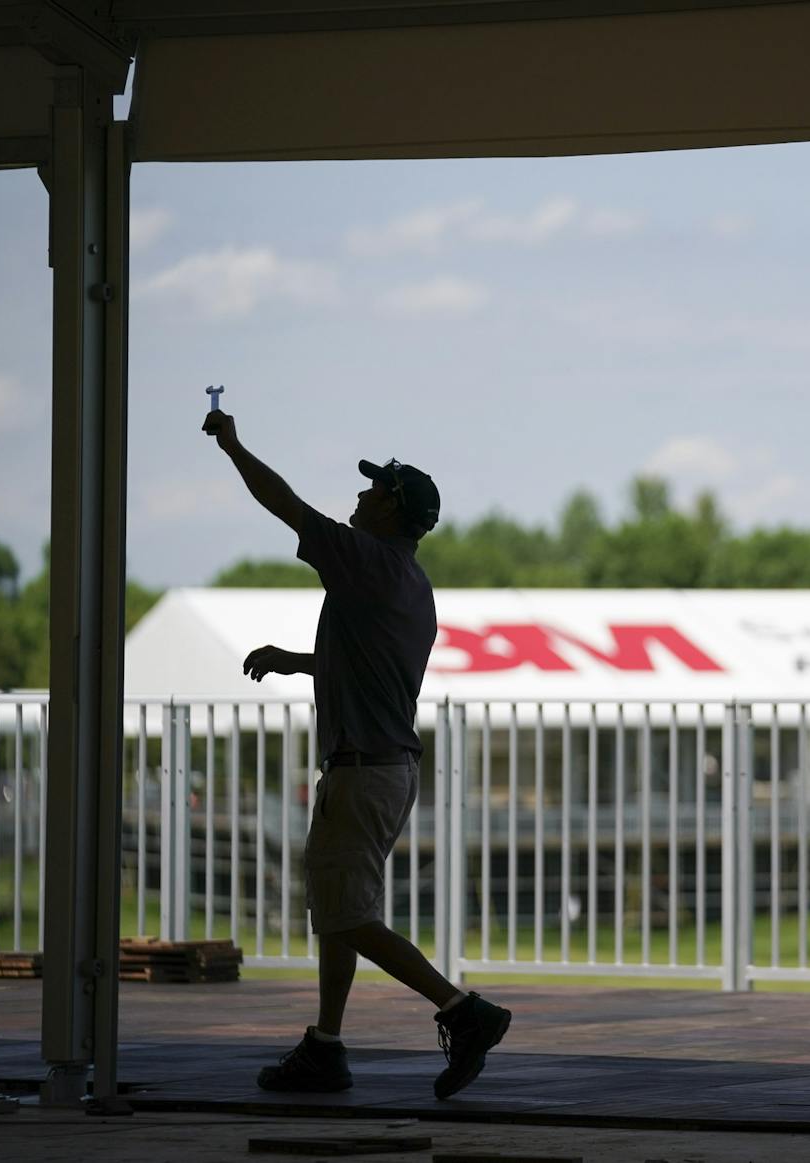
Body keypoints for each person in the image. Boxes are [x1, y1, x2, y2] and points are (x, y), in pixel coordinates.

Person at [202, 407, 510, 1099]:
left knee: (347, 913)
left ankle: (465, 1012)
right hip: (384, 767)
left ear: (393, 509)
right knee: (340, 907)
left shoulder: (364, 560)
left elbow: (285, 505)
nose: (363, 494)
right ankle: (326, 1044)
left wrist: (232, 444)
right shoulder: (410, 583)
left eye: (376, 489)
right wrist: (299, 660)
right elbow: (369, 665)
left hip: (364, 768)